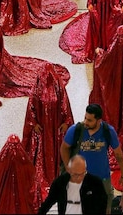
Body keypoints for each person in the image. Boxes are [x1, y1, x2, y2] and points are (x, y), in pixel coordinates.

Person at [23, 62, 74, 208]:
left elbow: (66, 106)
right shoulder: (36, 89)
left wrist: (66, 122)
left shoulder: (59, 88)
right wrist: (33, 124)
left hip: (56, 129)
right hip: (44, 130)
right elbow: (31, 108)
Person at [60, 103, 123, 213]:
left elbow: (118, 154)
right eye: (85, 118)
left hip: (103, 178)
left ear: (99, 120)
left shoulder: (108, 131)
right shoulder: (76, 130)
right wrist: (68, 167)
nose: (86, 122)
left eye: (90, 120)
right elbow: (64, 148)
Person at [38, 155, 108, 215]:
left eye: (82, 174)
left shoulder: (95, 183)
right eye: (75, 175)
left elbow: (102, 204)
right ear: (69, 170)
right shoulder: (60, 183)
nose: (79, 178)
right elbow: (49, 202)